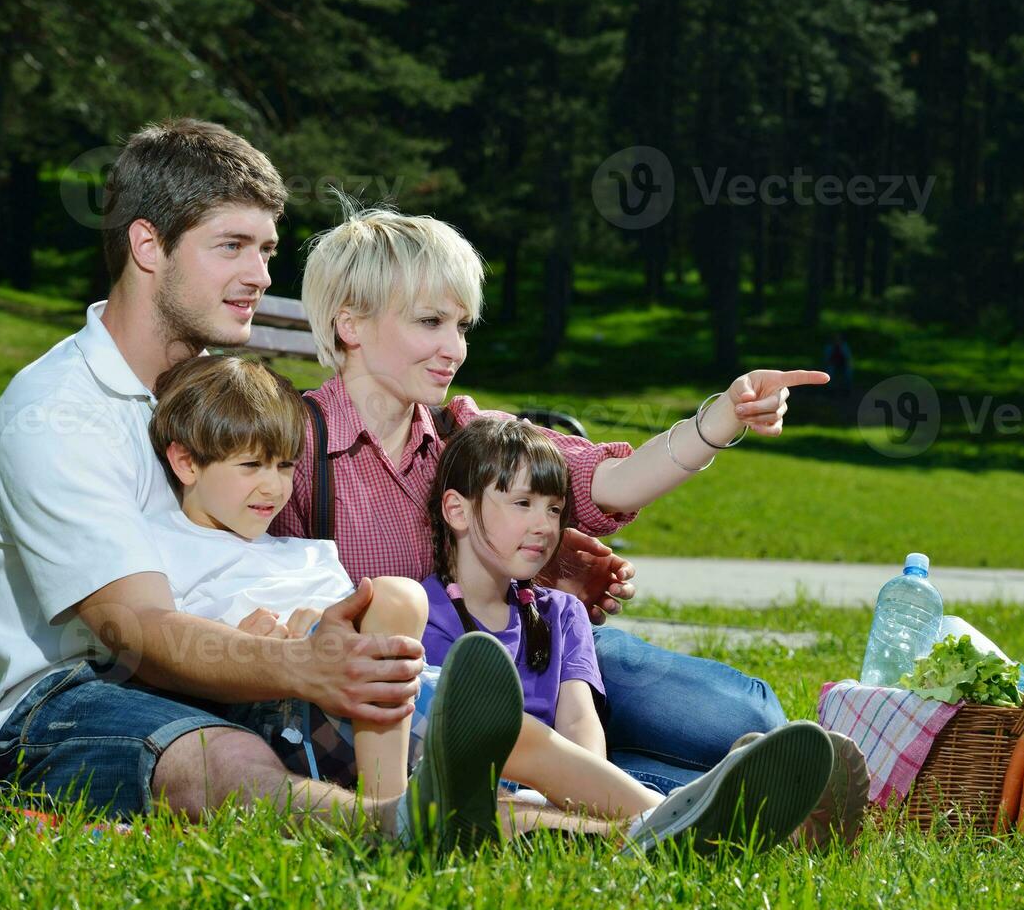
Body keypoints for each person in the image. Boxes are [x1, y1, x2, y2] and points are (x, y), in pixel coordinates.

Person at [0, 118, 515, 858]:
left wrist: (495, 550)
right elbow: (135, 631)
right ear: (147, 246)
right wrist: (301, 666)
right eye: (232, 246)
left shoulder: (216, 401)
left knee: (452, 724)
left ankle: (634, 823)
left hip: (222, 662)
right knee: (222, 759)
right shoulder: (58, 414)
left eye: (266, 250)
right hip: (67, 699)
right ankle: (392, 827)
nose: (261, 275)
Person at [142, 352, 838, 855]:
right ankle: (390, 816)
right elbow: (170, 647)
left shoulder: (304, 550)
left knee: (514, 756)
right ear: (185, 463)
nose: (273, 487)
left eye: (283, 468)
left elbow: (601, 480)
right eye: (251, 468)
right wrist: (271, 641)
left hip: (399, 690)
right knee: (404, 614)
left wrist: (715, 420)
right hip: (320, 713)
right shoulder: (173, 554)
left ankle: (656, 823)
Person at [275, 202, 831, 794]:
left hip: (531, 642)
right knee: (684, 763)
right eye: (430, 322)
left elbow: (605, 481)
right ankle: (712, 797)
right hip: (422, 703)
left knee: (750, 717)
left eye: (461, 327)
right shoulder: (294, 445)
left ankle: (704, 787)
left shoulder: (465, 430)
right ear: (350, 324)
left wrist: (721, 418)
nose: (454, 349)